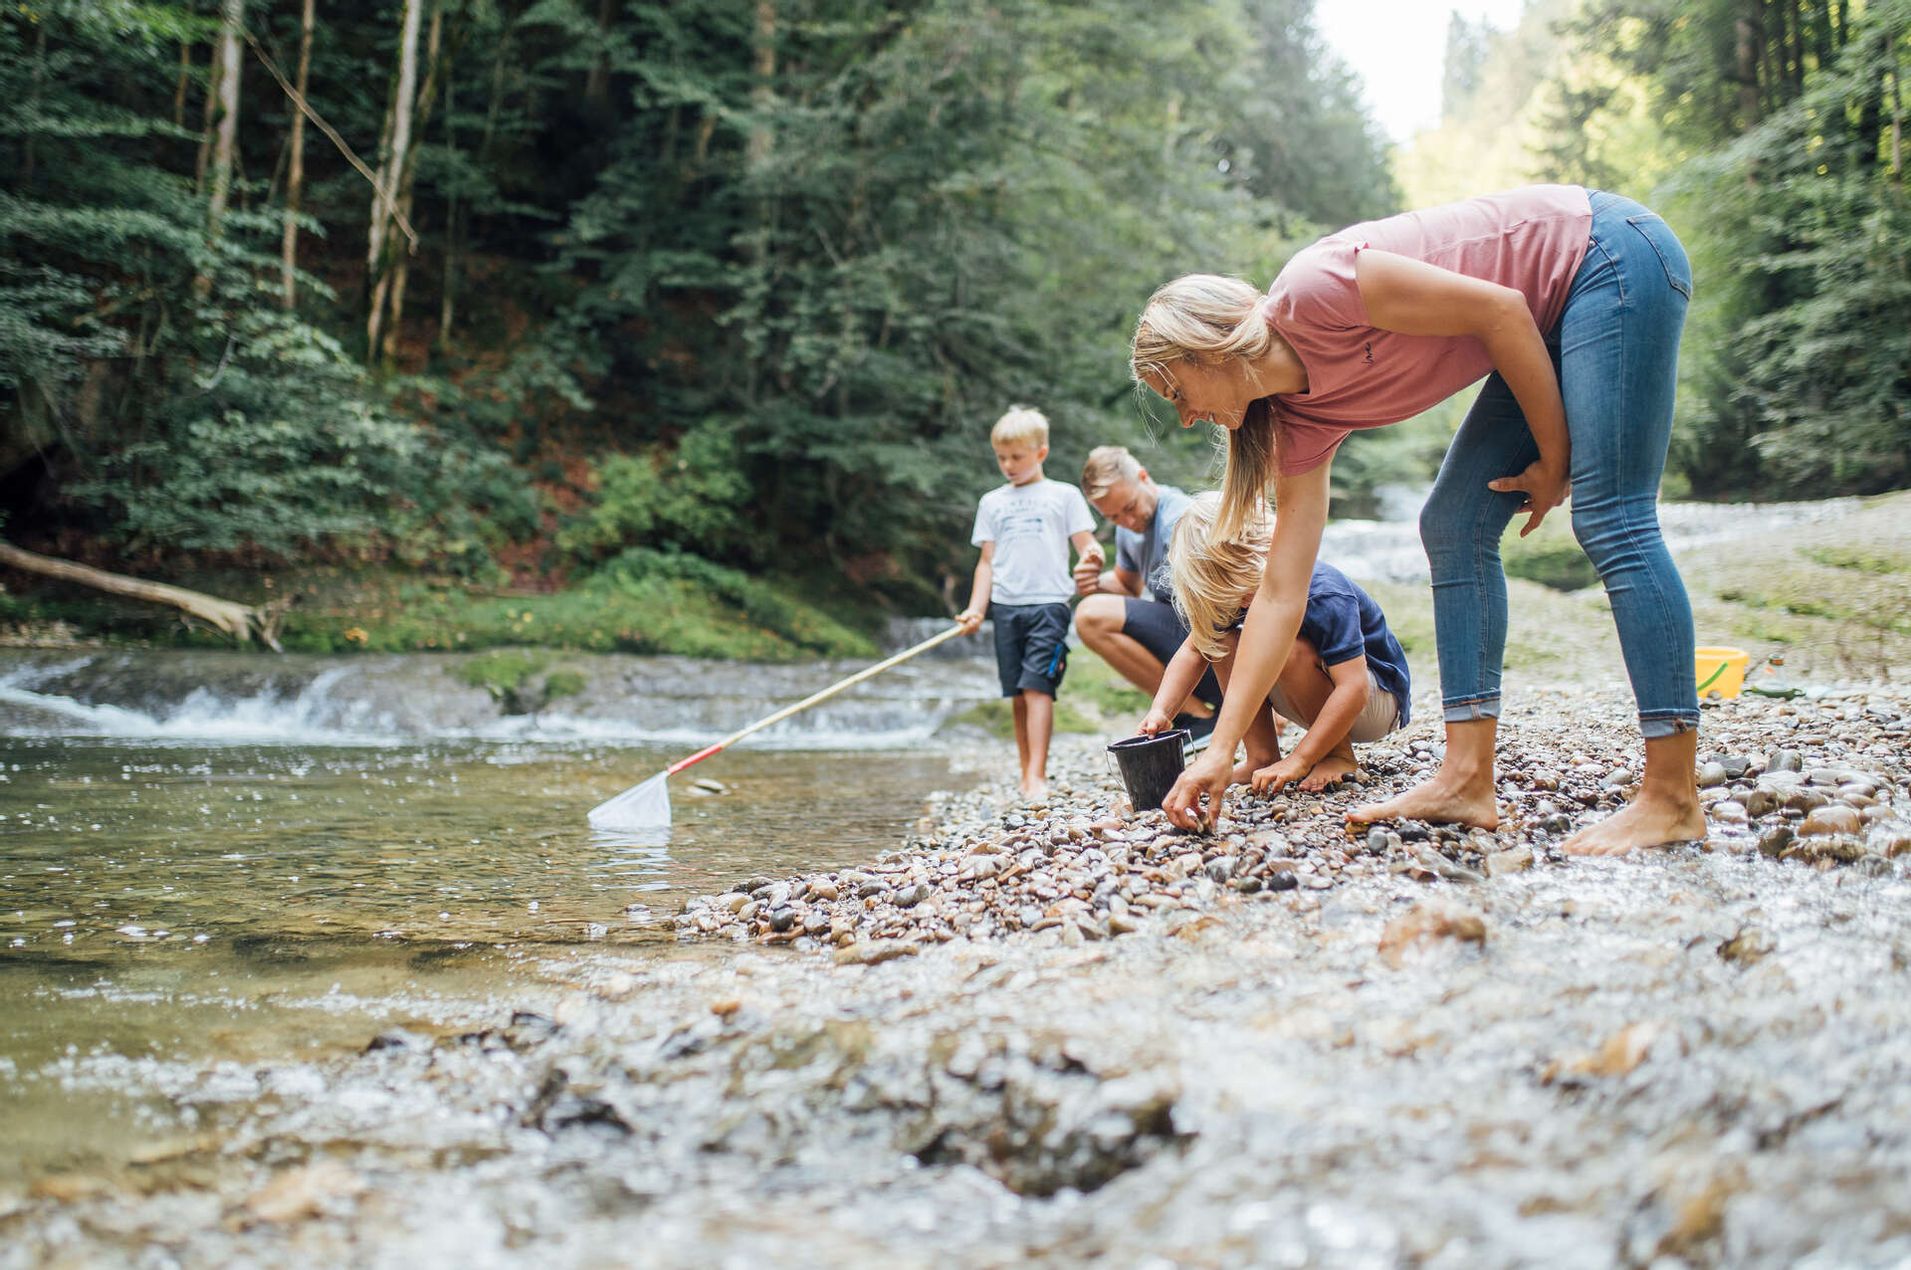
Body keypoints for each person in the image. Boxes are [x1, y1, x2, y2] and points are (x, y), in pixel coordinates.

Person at [1131, 185, 1703, 855]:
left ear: (1206, 348)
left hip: (1604, 254)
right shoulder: (1297, 424)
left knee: (1611, 516)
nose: (1184, 415)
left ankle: (1672, 797)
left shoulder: (1314, 292)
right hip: (1534, 324)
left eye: (1176, 391)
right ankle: (1465, 779)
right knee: (1452, 524)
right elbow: (1281, 592)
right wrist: (1219, 750)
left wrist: (1554, 459)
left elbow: (1500, 307)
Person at [1137, 492, 1410, 792]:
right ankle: (1261, 756)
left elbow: (1354, 687)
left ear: (1266, 553)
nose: (1240, 603)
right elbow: (1193, 650)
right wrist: (1162, 711)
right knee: (1221, 641)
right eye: (1231, 597)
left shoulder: (1322, 593)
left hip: (1374, 700)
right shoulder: (1239, 596)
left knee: (1288, 645)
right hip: (1326, 701)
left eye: (1243, 591)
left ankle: (1339, 755)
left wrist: (1302, 759)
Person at [956, 406, 1103, 802]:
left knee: (1038, 687)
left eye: (1017, 457)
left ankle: (1038, 775)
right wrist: (976, 609)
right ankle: (1025, 773)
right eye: (1002, 457)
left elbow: (1088, 545)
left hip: (1049, 606)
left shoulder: (1063, 495)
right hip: (1006, 607)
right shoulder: (992, 502)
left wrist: (1093, 558)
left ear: (1041, 452)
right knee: (1018, 693)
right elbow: (986, 562)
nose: (1008, 465)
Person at [1072, 446, 1222, 736]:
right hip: (1188, 641)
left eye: (1129, 508)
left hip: (1214, 646)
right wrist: (1093, 581)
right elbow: (1128, 587)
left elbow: (1222, 605)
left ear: (1143, 477)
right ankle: (1196, 715)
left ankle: (1199, 717)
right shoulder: (1128, 528)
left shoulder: (1176, 519)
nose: (1127, 522)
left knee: (1090, 615)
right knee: (1091, 613)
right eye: (1114, 517)